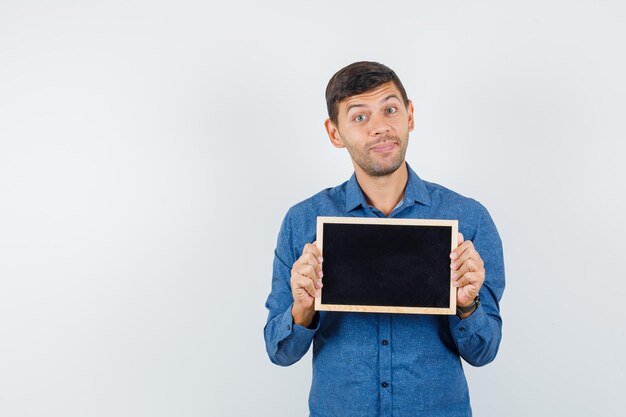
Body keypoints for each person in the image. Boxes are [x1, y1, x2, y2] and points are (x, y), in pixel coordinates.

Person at [263, 61, 505, 417]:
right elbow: (279, 352)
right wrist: (302, 307)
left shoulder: (468, 218)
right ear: (334, 133)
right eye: (360, 117)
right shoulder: (303, 222)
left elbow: (484, 352)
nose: (380, 128)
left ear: (409, 116)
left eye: (390, 110)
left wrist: (467, 305)